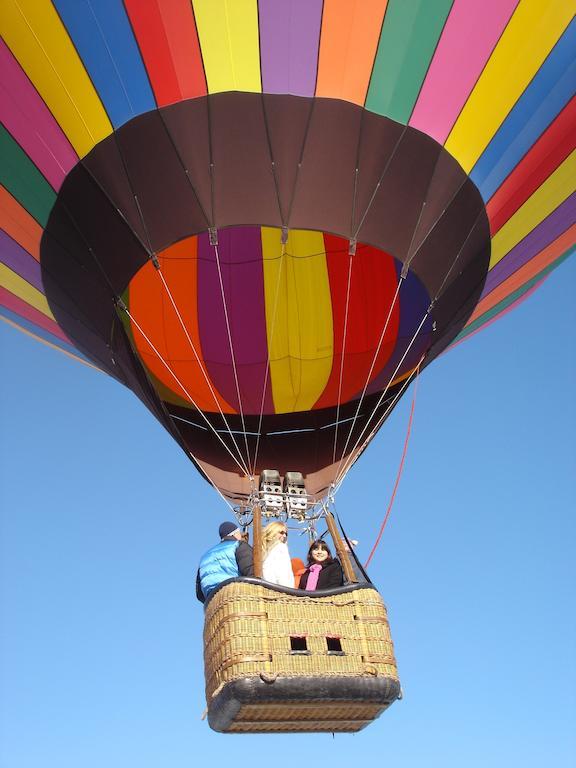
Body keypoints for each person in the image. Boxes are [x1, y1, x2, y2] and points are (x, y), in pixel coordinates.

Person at [196, 521, 253, 603]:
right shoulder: (238, 546)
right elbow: (251, 571)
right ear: (235, 534)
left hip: (213, 603)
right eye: (239, 533)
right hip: (236, 597)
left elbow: (199, 593)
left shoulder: (205, 557)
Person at [261, 521, 294, 588]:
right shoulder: (280, 548)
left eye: (286, 534)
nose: (284, 536)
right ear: (273, 532)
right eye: (281, 533)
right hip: (278, 591)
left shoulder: (281, 547)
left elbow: (284, 573)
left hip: (270, 590)